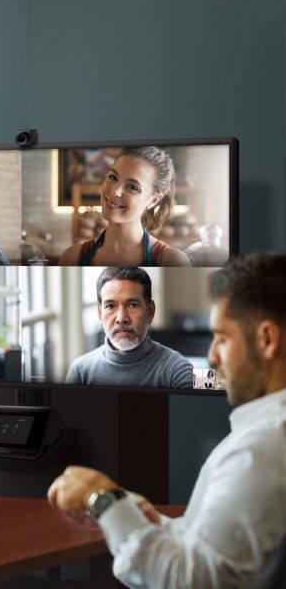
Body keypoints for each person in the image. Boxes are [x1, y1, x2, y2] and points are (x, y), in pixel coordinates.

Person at [48, 252, 286, 587]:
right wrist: (138, 516)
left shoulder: (258, 452)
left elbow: (191, 580)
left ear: (266, 340)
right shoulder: (261, 438)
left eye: (222, 338)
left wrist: (101, 498)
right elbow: (207, 546)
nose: (212, 357)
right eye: (110, 306)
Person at [59, 146, 191, 266]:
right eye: (113, 177)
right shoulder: (73, 258)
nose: (115, 191)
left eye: (132, 187)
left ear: (153, 200)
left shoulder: (172, 261)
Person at [66, 267, 192, 389]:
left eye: (132, 305)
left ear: (150, 312)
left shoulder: (179, 369)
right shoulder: (79, 372)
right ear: (100, 314)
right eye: (110, 306)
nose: (121, 318)